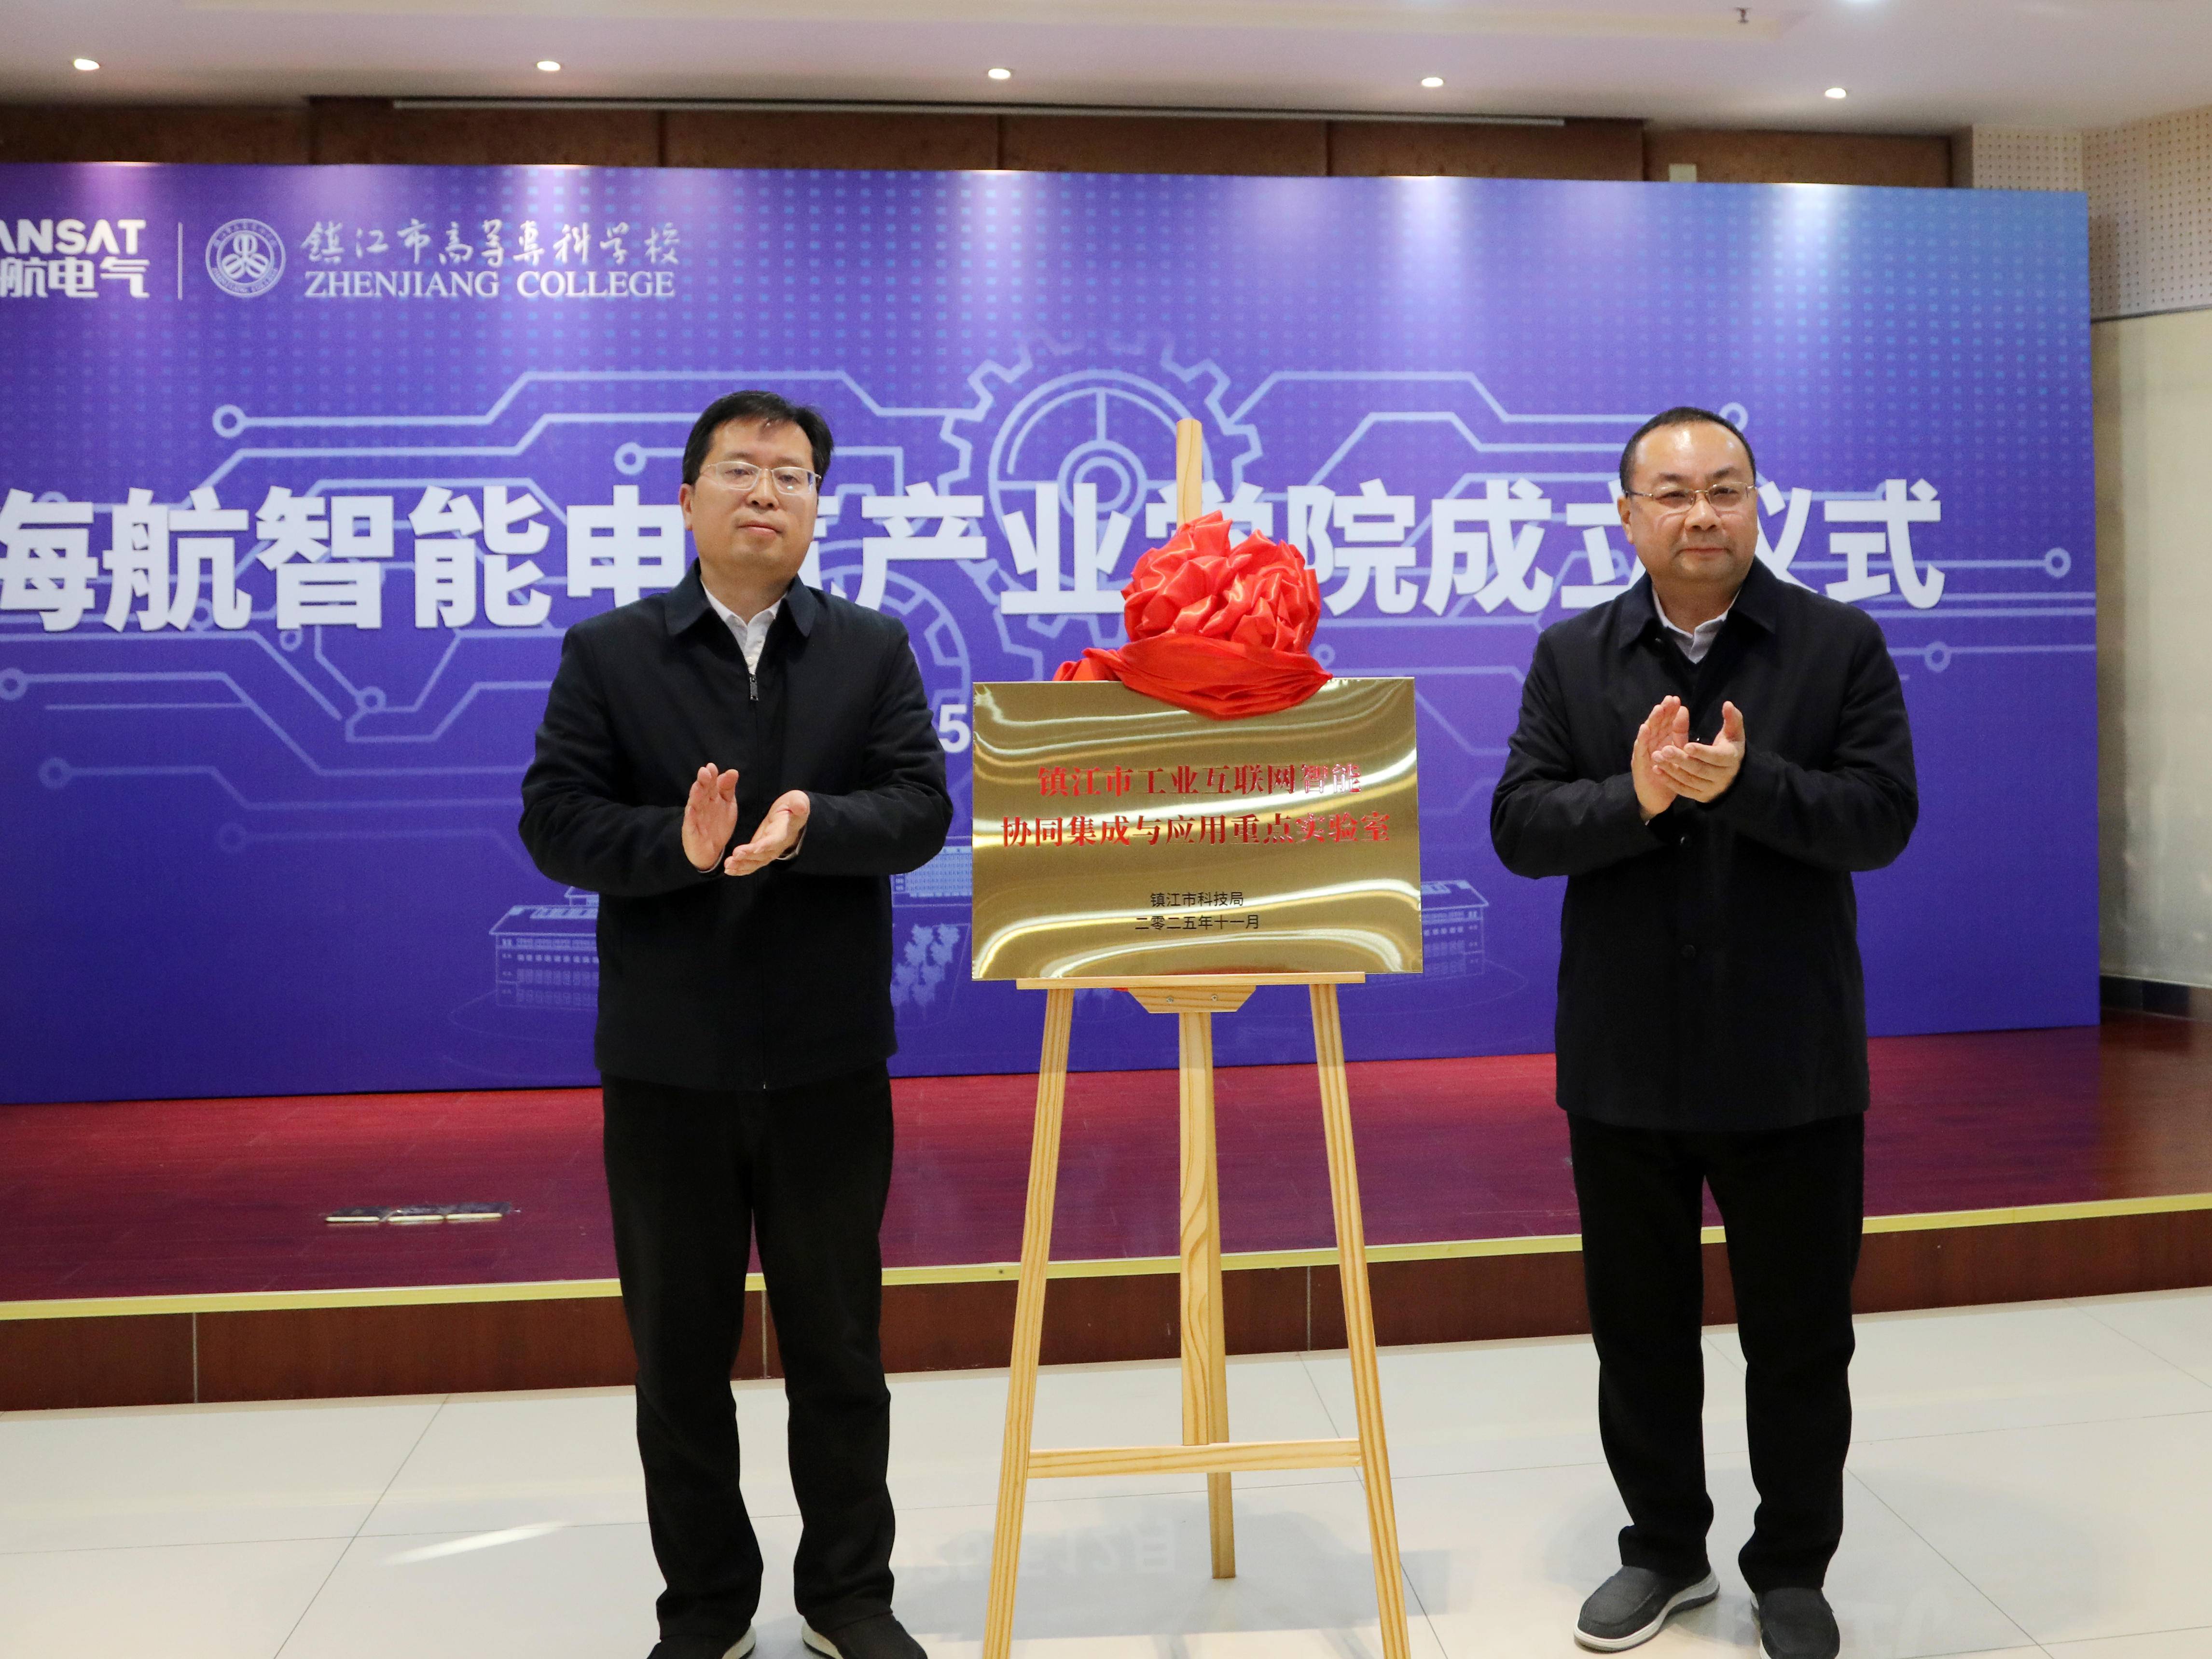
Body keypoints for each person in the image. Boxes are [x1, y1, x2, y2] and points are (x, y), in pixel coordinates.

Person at [520, 389, 952, 1659]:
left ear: (818, 506)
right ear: (687, 497)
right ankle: (706, 1607)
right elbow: (555, 819)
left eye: (793, 475)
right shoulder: (611, 653)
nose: (767, 492)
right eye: (741, 470)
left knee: (840, 1348)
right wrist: (681, 844)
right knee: (679, 1356)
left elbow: (920, 809)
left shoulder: (870, 648)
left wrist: (811, 825)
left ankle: (847, 1596)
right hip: (670, 1065)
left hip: (828, 1061)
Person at [1490, 408, 1917, 1659]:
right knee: (1640, 1334)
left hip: (1792, 1060)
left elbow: (1881, 818)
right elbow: (1520, 827)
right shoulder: (1573, 656)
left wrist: (1750, 784)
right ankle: (1666, 1552)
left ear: (1758, 505)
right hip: (1625, 1060)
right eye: (1673, 494)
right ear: (1627, 516)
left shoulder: (1837, 645)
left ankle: (1792, 1568)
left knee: (1800, 1337)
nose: (1702, 515)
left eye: (1725, 490)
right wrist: (1637, 797)